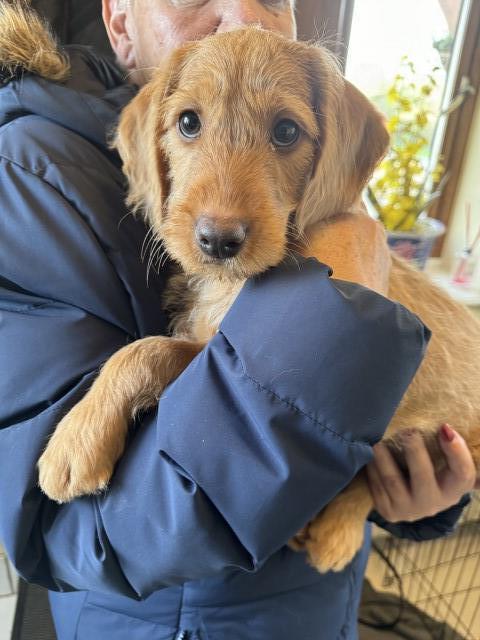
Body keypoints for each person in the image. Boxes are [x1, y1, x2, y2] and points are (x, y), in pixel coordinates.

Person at [0, 1, 475, 638]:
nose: (243, 17)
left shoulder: (331, 222)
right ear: (119, 23)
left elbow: (356, 413)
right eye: (189, 123)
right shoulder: (30, 175)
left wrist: (410, 503)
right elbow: (66, 526)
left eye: (284, 133)